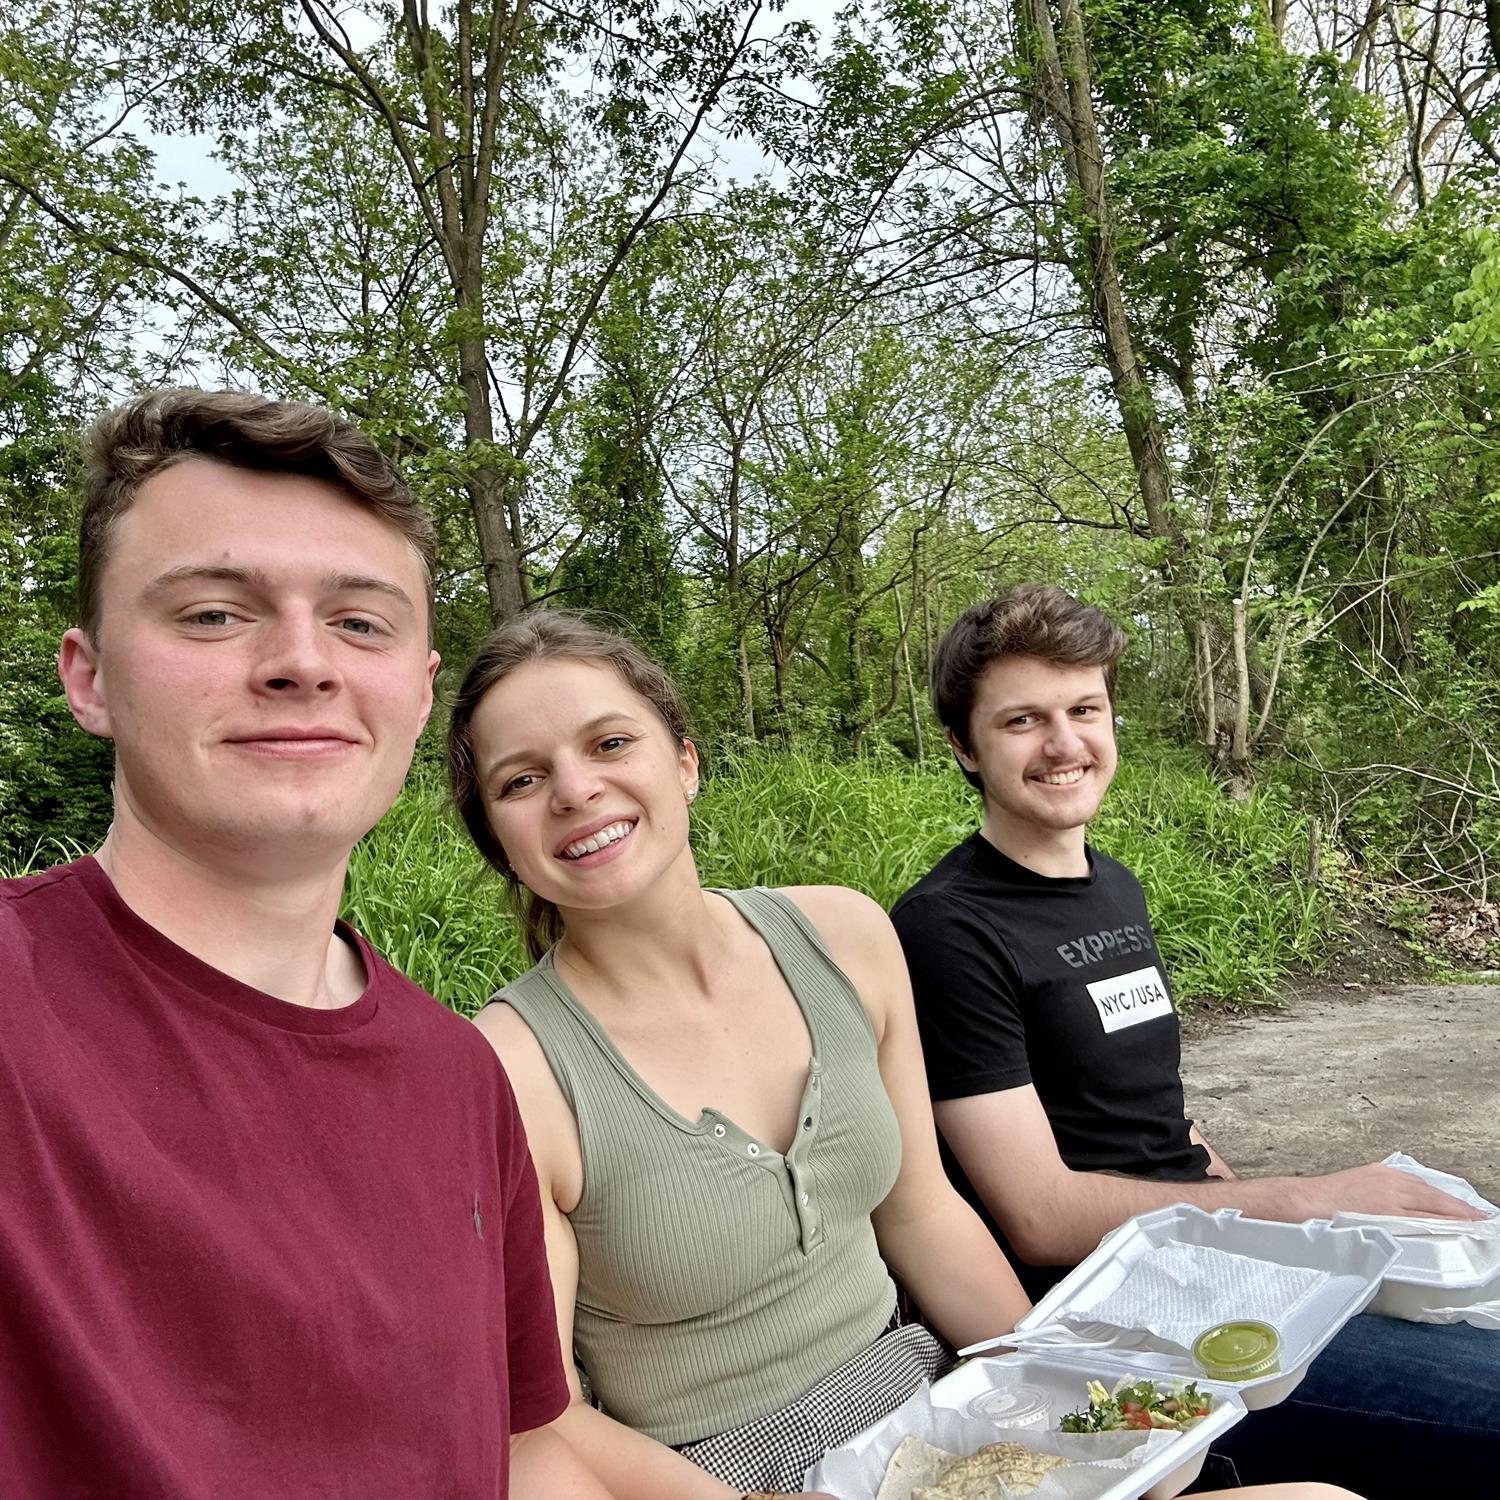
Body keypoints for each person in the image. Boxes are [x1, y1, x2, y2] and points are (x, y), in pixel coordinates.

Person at [447, 608, 1364, 1500]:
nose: (575, 790)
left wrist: (1061, 1387)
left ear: (685, 761)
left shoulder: (843, 937)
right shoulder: (515, 1071)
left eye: (610, 744)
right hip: (718, 1470)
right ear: (498, 838)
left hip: (933, 1414)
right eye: (521, 780)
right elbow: (544, 1416)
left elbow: (924, 1218)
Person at [0, 390, 610, 1499]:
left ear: (421, 696)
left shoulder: (462, 1078)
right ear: (88, 678)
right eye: (212, 614)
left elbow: (519, 1449)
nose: (301, 663)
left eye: (360, 622)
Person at [889, 582, 1499, 1497]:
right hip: (1119, 1312)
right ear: (963, 749)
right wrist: (1302, 1197)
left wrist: (1251, 1201)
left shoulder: (1114, 885)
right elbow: (1039, 1215)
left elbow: (1143, 1110)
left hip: (1208, 1255)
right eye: (1022, 720)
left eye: (1084, 709)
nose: (1064, 744)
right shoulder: (949, 929)